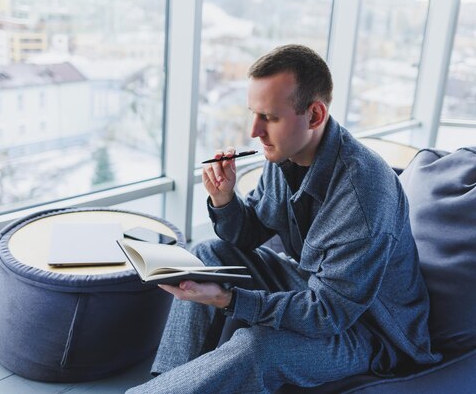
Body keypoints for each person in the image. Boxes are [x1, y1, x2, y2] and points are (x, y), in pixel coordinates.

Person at [126, 44, 440, 394]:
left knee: (259, 346)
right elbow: (248, 234)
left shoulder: (364, 197)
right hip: (314, 286)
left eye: (270, 118)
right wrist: (225, 199)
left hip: (370, 328)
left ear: (315, 115)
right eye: (254, 114)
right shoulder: (286, 153)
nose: (254, 131)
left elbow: (328, 314)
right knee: (209, 252)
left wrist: (226, 298)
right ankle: (167, 383)